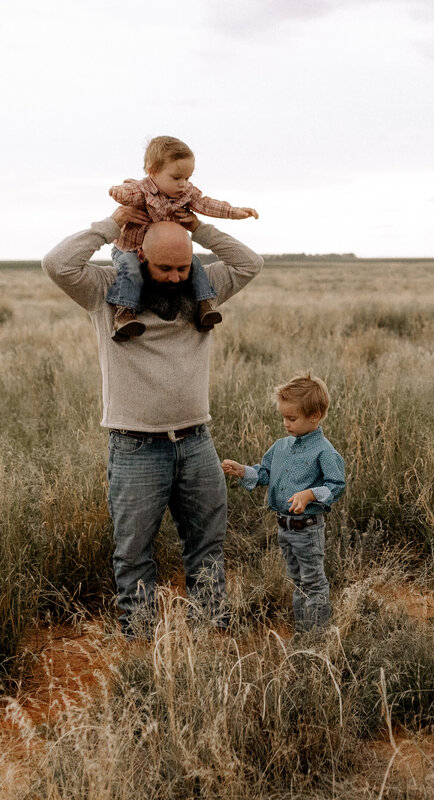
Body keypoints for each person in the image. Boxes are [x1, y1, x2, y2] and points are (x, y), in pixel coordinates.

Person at [42, 206, 264, 636]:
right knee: (134, 553)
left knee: (207, 548)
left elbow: (249, 263)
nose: (176, 277)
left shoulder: (203, 291)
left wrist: (198, 227)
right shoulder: (105, 290)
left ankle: (208, 635)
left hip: (197, 442)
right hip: (135, 448)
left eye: (184, 267)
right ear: (141, 257)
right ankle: (141, 642)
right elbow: (57, 263)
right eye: (165, 267)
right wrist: (112, 223)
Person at [221, 373, 346, 633]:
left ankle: (317, 635)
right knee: (297, 580)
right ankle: (303, 630)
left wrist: (310, 494)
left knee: (313, 582)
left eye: (292, 418)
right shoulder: (280, 446)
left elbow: (336, 485)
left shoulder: (324, 450)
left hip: (308, 529)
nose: (286, 424)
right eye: (283, 418)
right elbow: (265, 472)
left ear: (315, 416)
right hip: (285, 529)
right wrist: (244, 471)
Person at [106, 135, 259, 341]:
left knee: (194, 263)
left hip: (170, 251)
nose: (183, 184)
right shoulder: (142, 190)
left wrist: (235, 212)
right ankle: (124, 314)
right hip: (130, 249)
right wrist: (118, 195)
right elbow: (127, 193)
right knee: (129, 269)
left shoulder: (185, 193)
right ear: (152, 172)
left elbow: (207, 205)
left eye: (187, 178)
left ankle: (204, 304)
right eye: (176, 178)